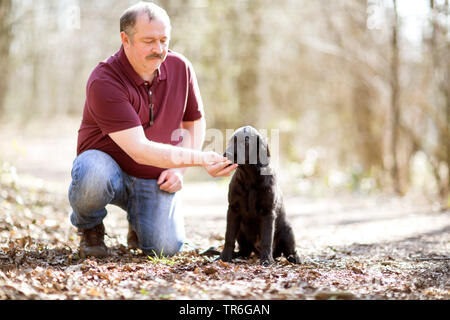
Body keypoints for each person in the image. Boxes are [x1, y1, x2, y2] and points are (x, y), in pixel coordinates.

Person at [68, 2, 237, 258]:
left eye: (163, 40)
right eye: (149, 41)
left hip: (153, 177)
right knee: (93, 173)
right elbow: (139, 149)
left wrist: (179, 169)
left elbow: (194, 121)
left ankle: (138, 224)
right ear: (125, 39)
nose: (158, 49)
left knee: (166, 248)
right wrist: (200, 160)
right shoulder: (104, 80)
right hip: (106, 169)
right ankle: (90, 227)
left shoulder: (181, 68)